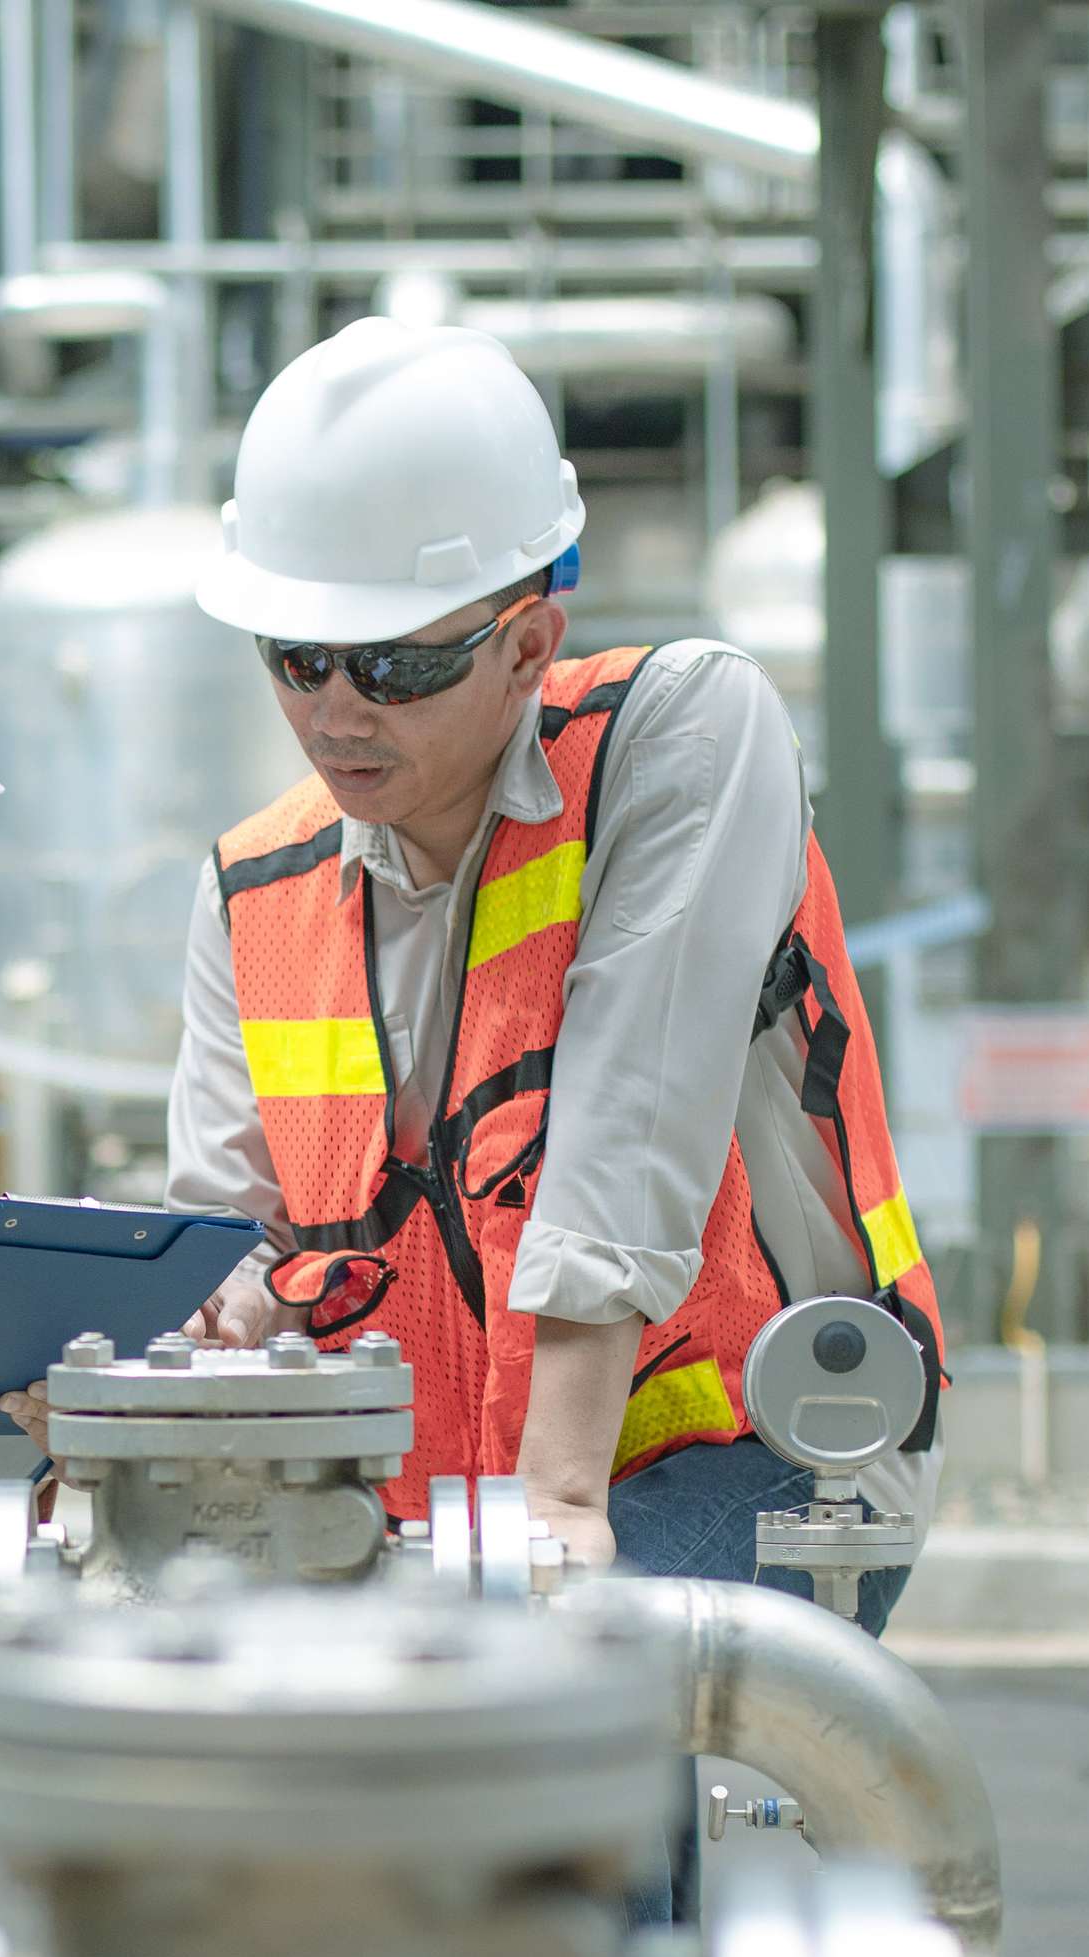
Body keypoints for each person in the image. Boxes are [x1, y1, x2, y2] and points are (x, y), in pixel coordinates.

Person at [169, 315, 948, 1630]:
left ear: (529, 643)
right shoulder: (254, 888)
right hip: (428, 1514)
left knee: (574, 1759)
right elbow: (231, 1243)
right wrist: (211, 1323)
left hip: (750, 1453)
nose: (339, 712)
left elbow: (621, 1146)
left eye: (400, 664)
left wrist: (560, 1501)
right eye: (298, 661)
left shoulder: (679, 736)